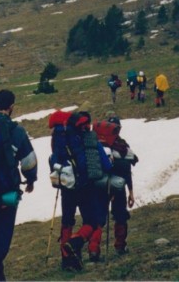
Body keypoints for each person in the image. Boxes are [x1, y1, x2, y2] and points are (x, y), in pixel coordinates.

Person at [0, 89, 38, 281]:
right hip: (7, 193)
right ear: (12, 107)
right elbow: (28, 160)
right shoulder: (16, 131)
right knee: (3, 236)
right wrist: (30, 180)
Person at [59, 111, 113, 269]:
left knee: (67, 221)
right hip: (85, 186)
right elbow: (106, 164)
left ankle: (66, 259)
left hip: (66, 186)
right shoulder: (90, 139)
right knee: (91, 221)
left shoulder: (62, 138)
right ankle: (75, 243)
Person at [104, 114, 138, 255]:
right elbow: (127, 170)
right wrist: (130, 191)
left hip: (102, 185)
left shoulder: (100, 145)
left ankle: (94, 250)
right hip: (119, 187)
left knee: (98, 217)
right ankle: (120, 246)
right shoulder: (123, 145)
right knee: (121, 216)